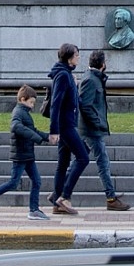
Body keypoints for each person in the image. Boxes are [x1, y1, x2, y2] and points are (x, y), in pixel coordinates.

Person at [0, 84, 53, 220]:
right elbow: (16, 126)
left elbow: (32, 130)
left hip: (27, 154)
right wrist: (37, 138)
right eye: (31, 102)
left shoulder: (24, 113)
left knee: (36, 181)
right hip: (20, 155)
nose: (32, 106)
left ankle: (34, 210)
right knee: (14, 182)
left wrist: (47, 137)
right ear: (22, 99)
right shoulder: (18, 112)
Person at [79, 48, 130, 211]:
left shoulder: (94, 78)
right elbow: (85, 106)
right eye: (105, 61)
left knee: (78, 162)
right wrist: (98, 123)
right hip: (91, 130)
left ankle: (60, 194)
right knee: (103, 162)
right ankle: (111, 198)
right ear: (102, 64)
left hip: (92, 128)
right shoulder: (90, 80)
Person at [46, 42, 90, 215]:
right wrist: (54, 130)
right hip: (65, 126)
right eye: (77, 55)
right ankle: (64, 197)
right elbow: (55, 105)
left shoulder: (66, 75)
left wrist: (75, 86)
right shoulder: (63, 76)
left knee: (63, 163)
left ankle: (57, 199)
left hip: (66, 124)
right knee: (83, 157)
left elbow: (71, 102)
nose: (79, 58)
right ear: (70, 58)